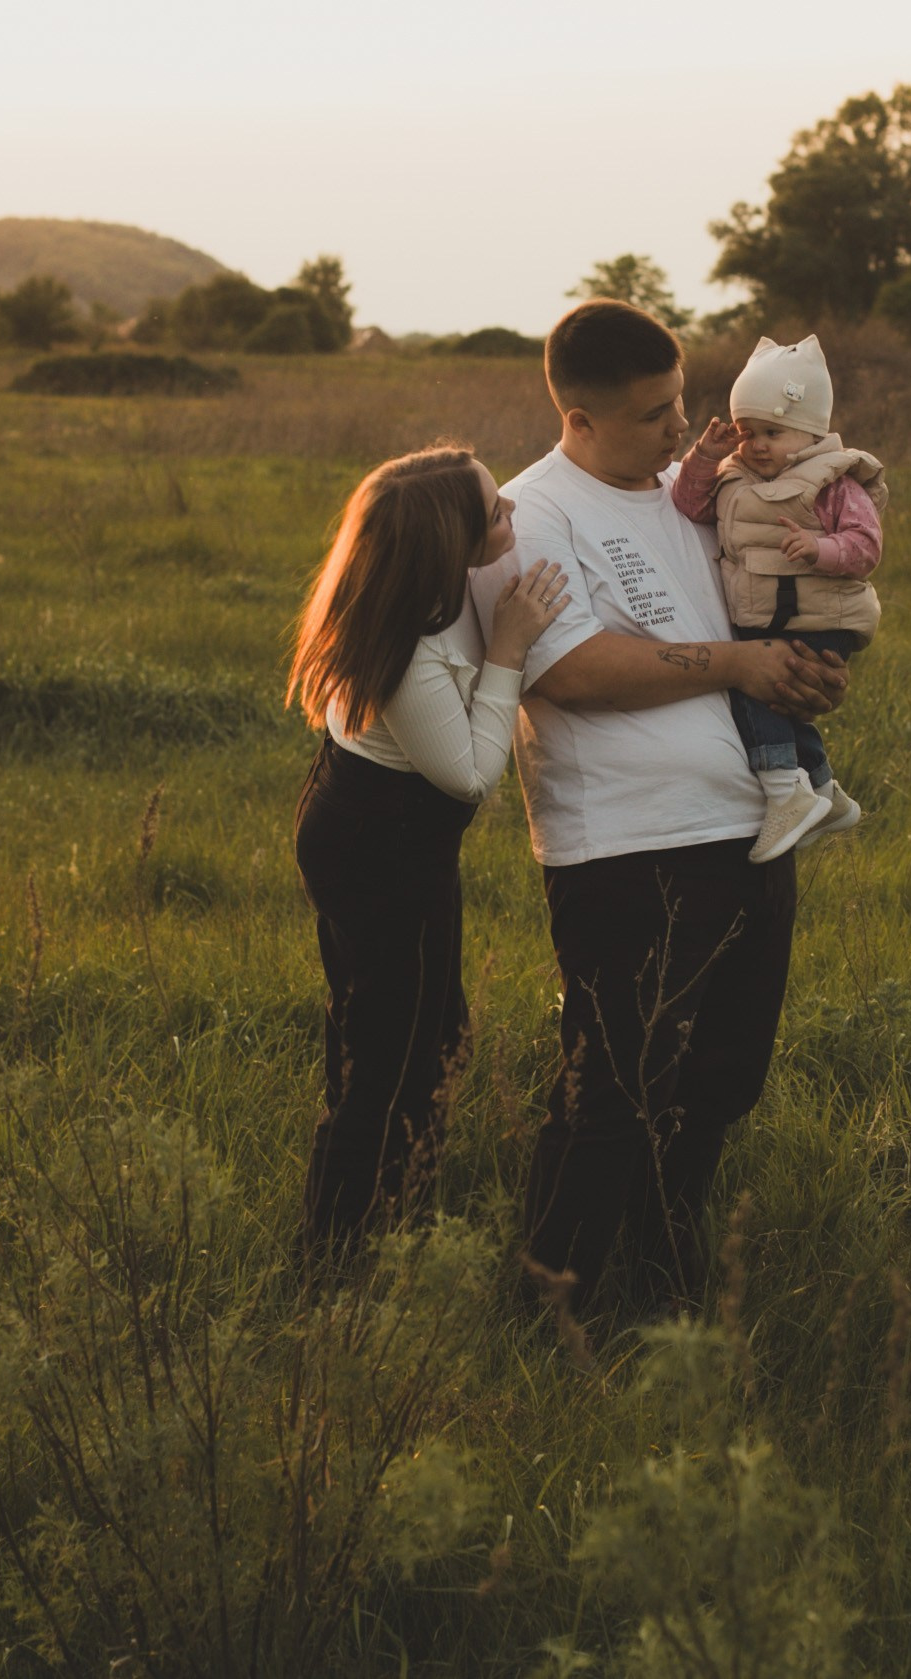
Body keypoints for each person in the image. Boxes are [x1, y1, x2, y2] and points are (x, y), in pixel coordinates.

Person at [467, 301, 848, 1314]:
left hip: (750, 828)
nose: (679, 426)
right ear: (578, 418)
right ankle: (551, 1308)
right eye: (651, 414)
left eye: (679, 401)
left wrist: (800, 672)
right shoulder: (531, 514)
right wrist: (735, 664)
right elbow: (569, 669)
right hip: (628, 848)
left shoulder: (694, 495)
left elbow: (754, 618)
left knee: (721, 1078)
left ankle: (661, 1273)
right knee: (614, 1091)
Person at [287, 445, 570, 1267]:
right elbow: (471, 776)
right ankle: (336, 1254)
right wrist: (509, 649)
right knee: (399, 1058)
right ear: (447, 543)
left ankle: (391, 1211)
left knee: (413, 1033)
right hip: (383, 846)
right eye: (494, 512)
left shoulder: (423, 589)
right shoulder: (408, 649)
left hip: (372, 829)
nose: (511, 512)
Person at [670, 334, 887, 861]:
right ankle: (825, 792)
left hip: (821, 614)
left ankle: (785, 792)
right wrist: (706, 456)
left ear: (811, 432)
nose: (757, 445)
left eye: (773, 432)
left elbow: (866, 546)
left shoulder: (835, 482)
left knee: (759, 691)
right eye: (747, 433)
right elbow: (690, 503)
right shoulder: (734, 476)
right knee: (783, 702)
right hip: (772, 615)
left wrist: (819, 549)